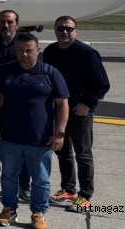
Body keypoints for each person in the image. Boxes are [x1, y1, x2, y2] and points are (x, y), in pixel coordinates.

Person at [0, 33, 69, 229]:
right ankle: (9, 209)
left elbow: (62, 104)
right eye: (20, 50)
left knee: (40, 180)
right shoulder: (5, 71)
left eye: (29, 50)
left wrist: (59, 133)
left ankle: (39, 213)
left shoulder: (50, 73)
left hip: (40, 140)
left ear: (37, 50)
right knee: (8, 177)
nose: (24, 54)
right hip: (9, 138)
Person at [43, 16, 110, 211]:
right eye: (60, 28)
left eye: (69, 29)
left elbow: (102, 84)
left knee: (83, 154)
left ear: (76, 31)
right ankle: (68, 189)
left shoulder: (87, 53)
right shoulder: (50, 52)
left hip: (79, 111)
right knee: (62, 151)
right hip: (58, 110)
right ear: (55, 30)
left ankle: (85, 195)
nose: (64, 32)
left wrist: (88, 103)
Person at [0, 10, 29, 197]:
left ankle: (24, 185)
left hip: (16, 105)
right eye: (2, 21)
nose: (6, 25)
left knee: (20, 146)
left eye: (10, 22)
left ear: (17, 25)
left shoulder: (23, 45)